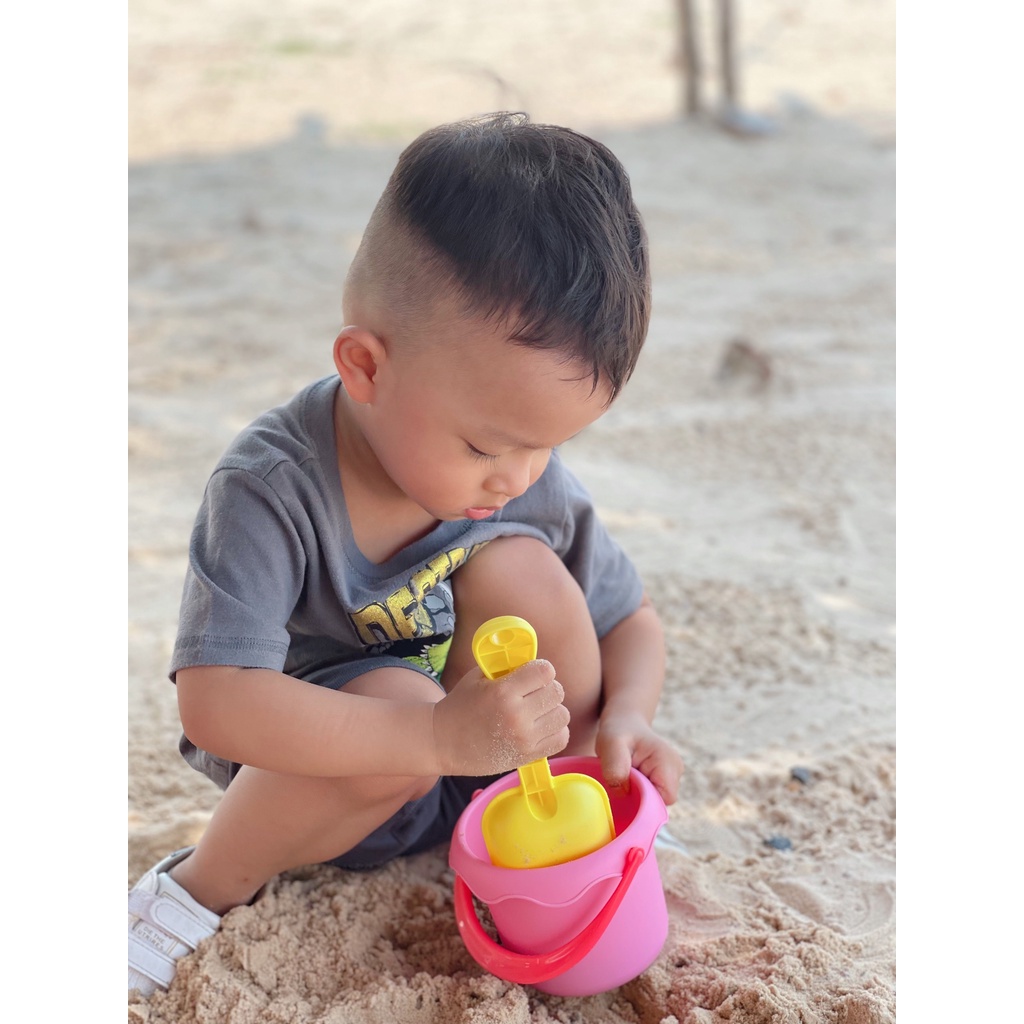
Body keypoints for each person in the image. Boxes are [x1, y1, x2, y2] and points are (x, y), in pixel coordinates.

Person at [128, 111, 685, 996]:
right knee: (400, 696)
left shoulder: (519, 474)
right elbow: (216, 704)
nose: (519, 476)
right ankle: (192, 895)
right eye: (486, 445)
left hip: (485, 772)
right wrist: (430, 735)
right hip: (328, 786)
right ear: (366, 367)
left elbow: (632, 621)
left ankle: (559, 841)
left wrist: (626, 719)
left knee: (525, 571)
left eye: (547, 446)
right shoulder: (271, 487)